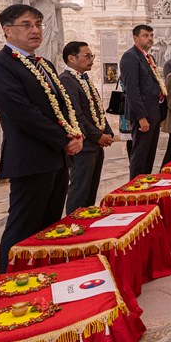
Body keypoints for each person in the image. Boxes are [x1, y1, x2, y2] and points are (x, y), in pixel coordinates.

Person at [0, 4, 84, 271]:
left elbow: (62, 106)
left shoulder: (44, 64)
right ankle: (9, 281)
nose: (35, 30)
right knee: (22, 227)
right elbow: (21, 113)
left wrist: (75, 133)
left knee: (50, 226)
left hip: (57, 158)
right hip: (30, 159)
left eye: (38, 24)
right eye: (26, 25)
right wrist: (63, 139)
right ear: (7, 31)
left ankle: (43, 275)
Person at [60, 41, 115, 213]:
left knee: (91, 186)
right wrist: (97, 136)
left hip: (94, 143)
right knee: (80, 189)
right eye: (87, 56)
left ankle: (87, 219)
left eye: (92, 56)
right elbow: (76, 114)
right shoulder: (66, 80)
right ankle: (74, 222)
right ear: (71, 58)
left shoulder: (84, 79)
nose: (91, 59)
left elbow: (96, 108)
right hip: (84, 143)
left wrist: (107, 131)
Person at [120, 24, 167, 176]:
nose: (150, 38)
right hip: (143, 116)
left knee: (149, 155)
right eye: (145, 35)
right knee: (140, 156)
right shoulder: (130, 57)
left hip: (153, 113)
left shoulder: (149, 57)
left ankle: (146, 184)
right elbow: (132, 90)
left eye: (151, 35)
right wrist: (141, 117)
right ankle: (136, 188)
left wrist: (161, 113)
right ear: (135, 38)